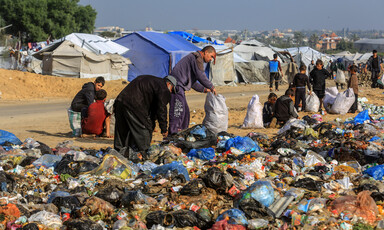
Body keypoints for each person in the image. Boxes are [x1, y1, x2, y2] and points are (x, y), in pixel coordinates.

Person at [114, 75, 176, 154]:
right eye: (172, 90)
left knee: (121, 132)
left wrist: (153, 123)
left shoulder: (152, 81)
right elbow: (161, 109)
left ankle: (118, 155)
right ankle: (144, 154)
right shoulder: (163, 88)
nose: (170, 92)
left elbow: (154, 109)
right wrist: (164, 129)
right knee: (144, 131)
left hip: (120, 101)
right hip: (134, 105)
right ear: (168, 84)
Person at [168, 46, 217, 135]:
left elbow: (193, 83)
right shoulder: (197, 58)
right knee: (178, 113)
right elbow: (201, 76)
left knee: (185, 113)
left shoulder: (194, 59)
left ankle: (181, 134)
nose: (211, 59)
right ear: (205, 52)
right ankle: (173, 135)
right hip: (176, 87)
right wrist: (212, 86)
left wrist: (204, 89)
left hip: (179, 88)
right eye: (211, 56)